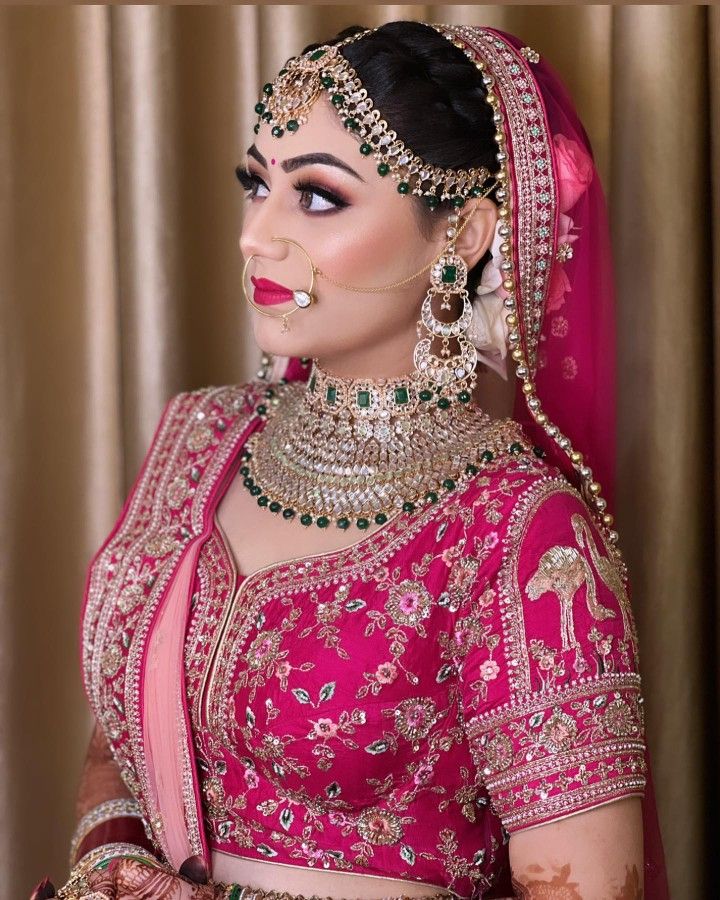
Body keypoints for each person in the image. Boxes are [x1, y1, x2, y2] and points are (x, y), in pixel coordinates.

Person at [32, 20, 670, 900]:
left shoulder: (520, 532)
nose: (258, 234)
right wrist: (109, 858)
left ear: (464, 232)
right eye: (254, 185)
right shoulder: (200, 439)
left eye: (318, 197)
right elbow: (126, 721)